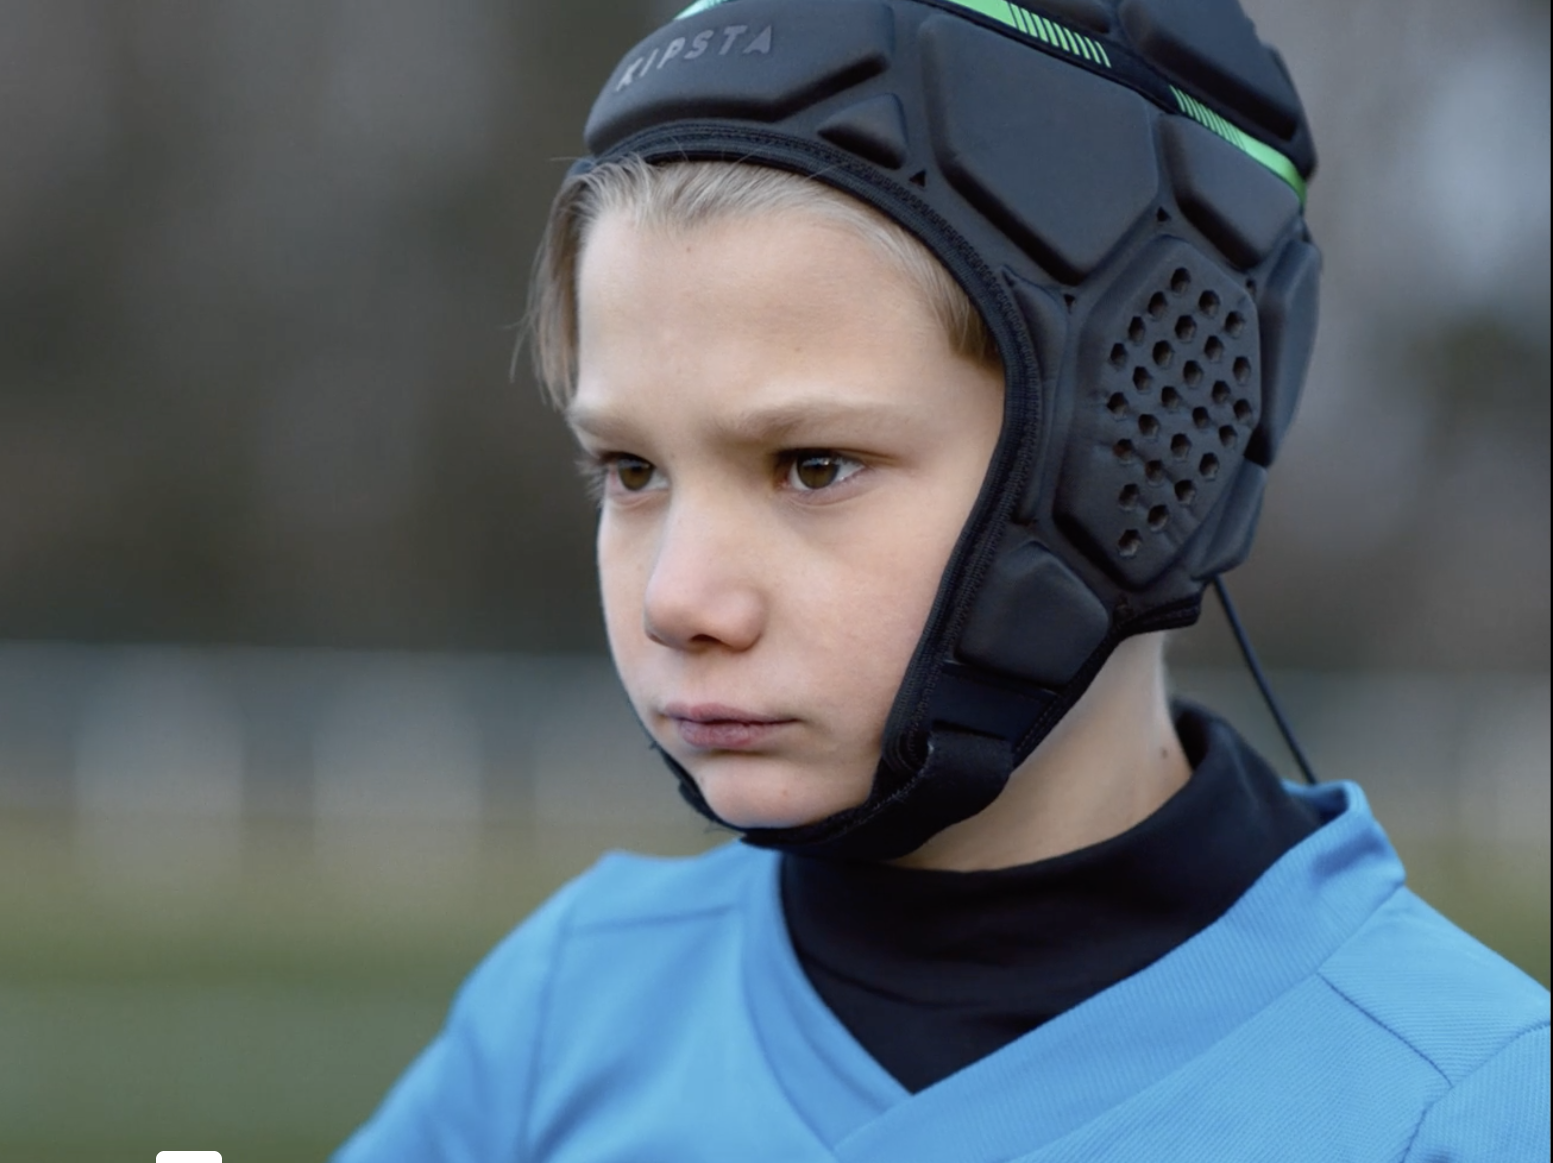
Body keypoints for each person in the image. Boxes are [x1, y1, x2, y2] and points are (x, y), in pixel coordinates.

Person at [336, 0, 1550, 1158]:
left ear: (1135, 456)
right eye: (631, 469)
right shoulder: (565, 1017)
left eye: (812, 466)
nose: (678, 600)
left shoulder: (1465, 1103)